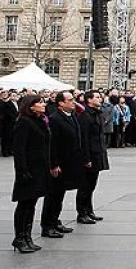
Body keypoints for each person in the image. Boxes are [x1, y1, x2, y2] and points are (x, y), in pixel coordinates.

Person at [11, 94, 51, 254]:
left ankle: (27, 236)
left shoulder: (40, 121)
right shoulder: (24, 122)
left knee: (31, 204)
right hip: (28, 169)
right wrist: (22, 170)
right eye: (40, 103)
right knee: (24, 204)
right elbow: (19, 149)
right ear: (31, 106)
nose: (44, 105)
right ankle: (19, 237)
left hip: (40, 168)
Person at [41, 91, 84, 238]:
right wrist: (53, 164)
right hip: (59, 163)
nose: (74, 102)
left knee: (60, 194)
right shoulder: (55, 119)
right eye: (70, 100)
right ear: (61, 103)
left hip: (70, 162)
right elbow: (52, 144)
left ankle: (55, 220)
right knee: (53, 195)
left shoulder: (72, 116)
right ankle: (47, 225)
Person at [77, 90, 108, 224]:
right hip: (89, 154)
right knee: (84, 186)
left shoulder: (98, 114)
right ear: (89, 100)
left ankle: (89, 210)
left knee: (91, 185)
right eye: (96, 97)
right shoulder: (85, 116)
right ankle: (82, 212)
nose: (100, 99)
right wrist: (86, 158)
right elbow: (83, 138)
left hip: (97, 152)